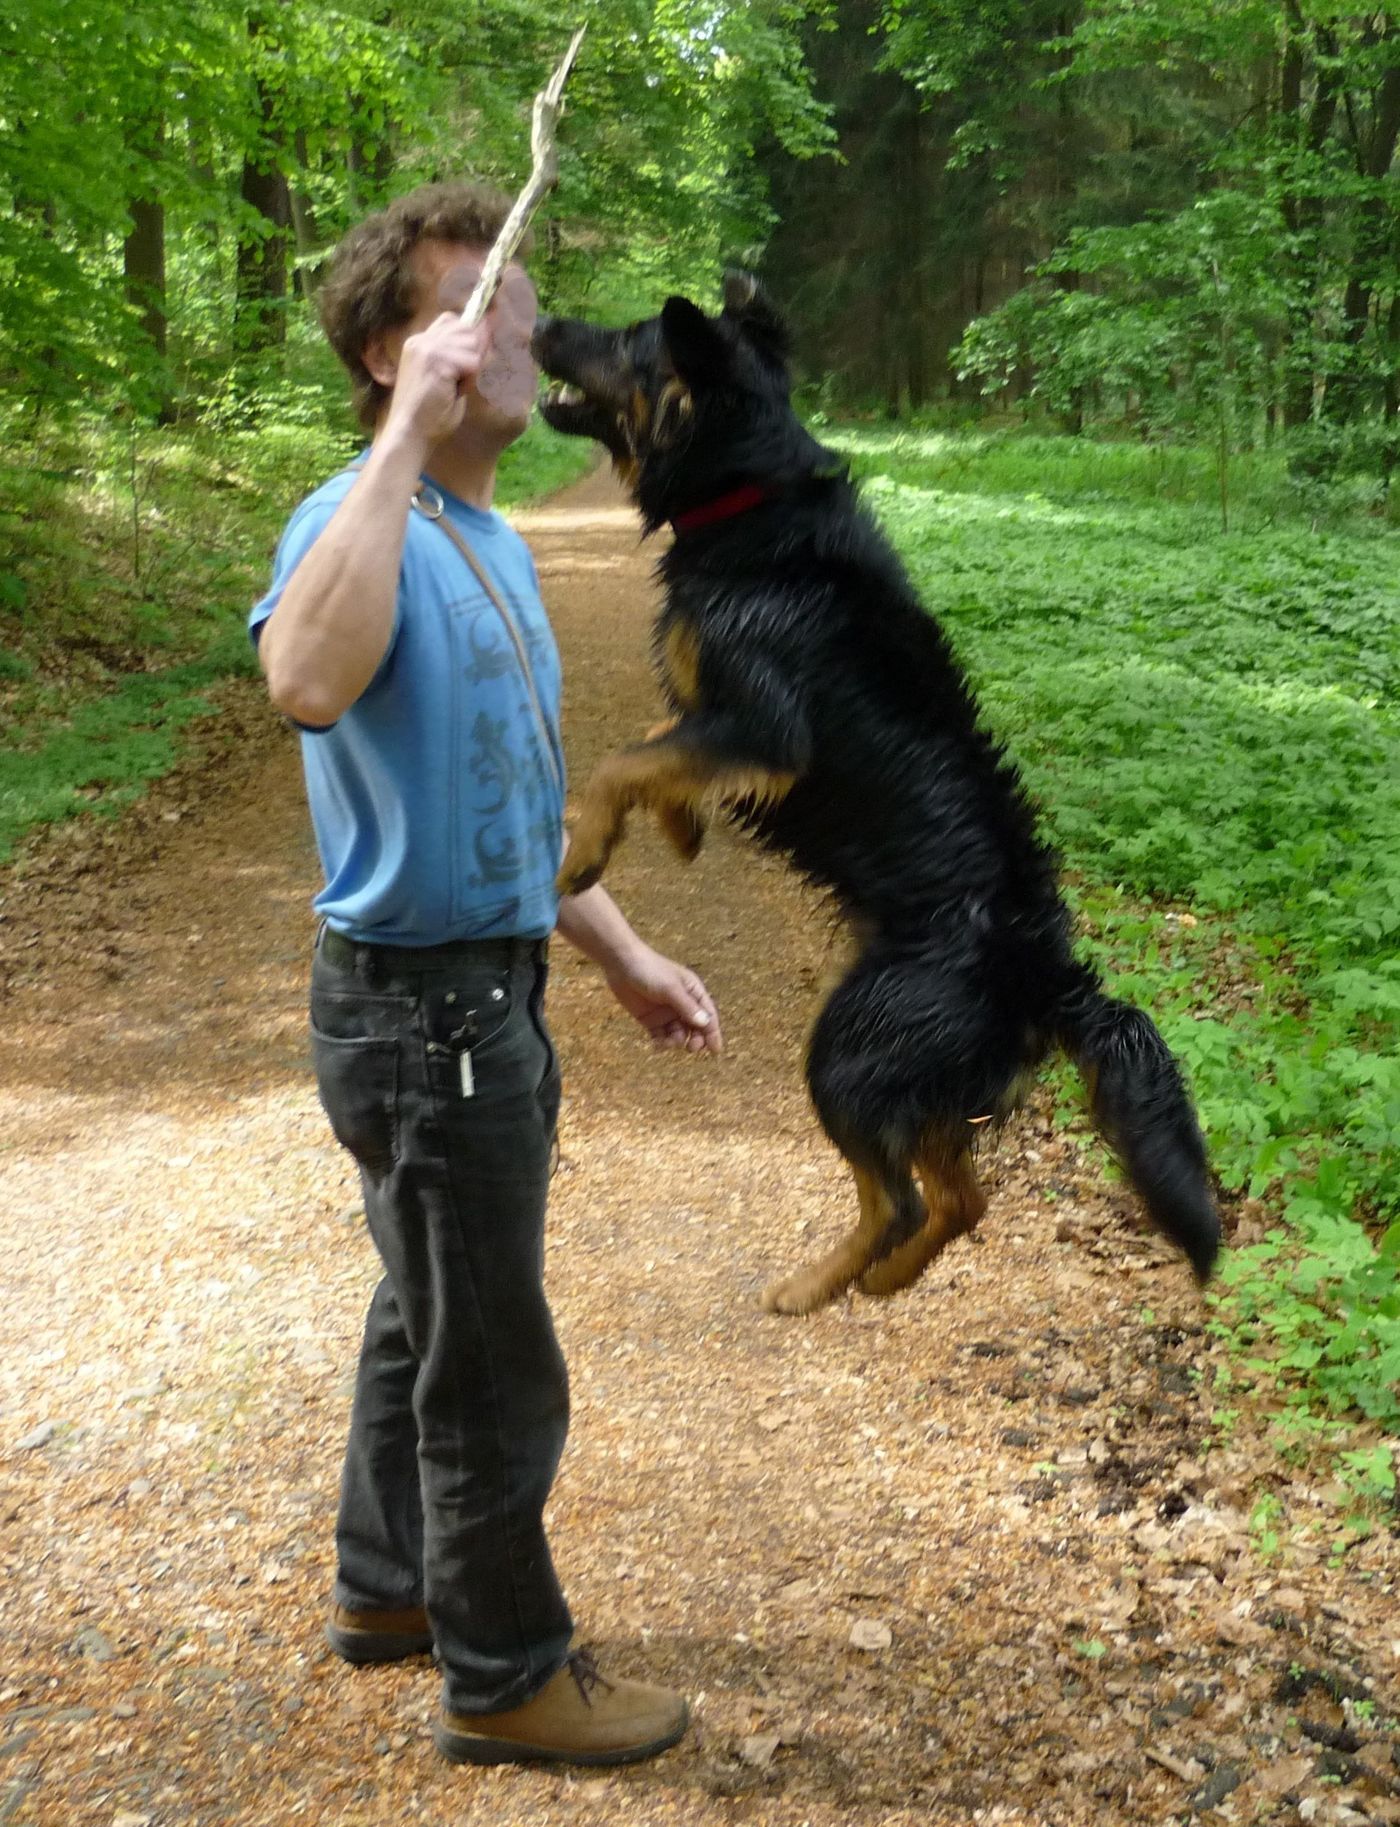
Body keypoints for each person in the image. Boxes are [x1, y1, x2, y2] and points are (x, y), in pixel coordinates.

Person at [248, 181, 720, 1769]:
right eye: (479, 302)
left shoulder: (491, 543)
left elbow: (507, 800)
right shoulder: (354, 517)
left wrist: (625, 949)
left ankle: (391, 1592)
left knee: (425, 1304)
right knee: (492, 1357)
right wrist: (393, 454)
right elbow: (306, 679)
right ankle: (509, 1668)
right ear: (395, 356)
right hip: (417, 1015)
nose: (517, 328)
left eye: (520, 304)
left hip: (482, 991)